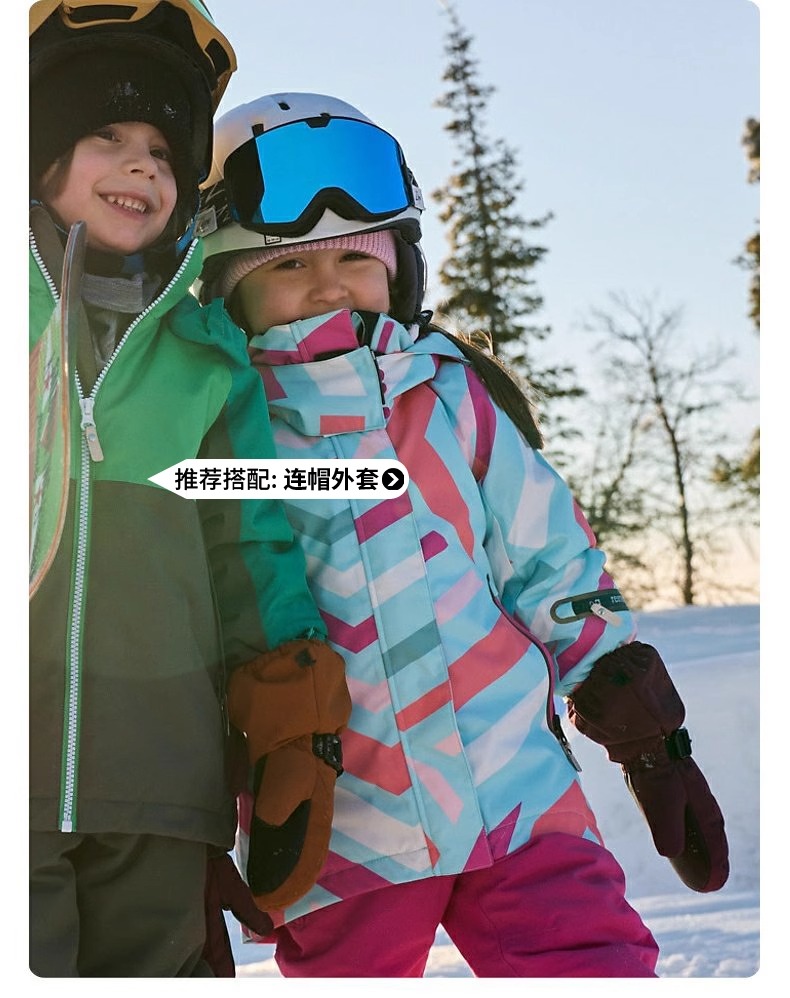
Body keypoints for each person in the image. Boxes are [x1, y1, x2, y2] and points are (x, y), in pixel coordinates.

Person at [196, 91, 729, 978]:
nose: (329, 285)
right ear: (226, 289)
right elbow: (204, 618)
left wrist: (641, 723)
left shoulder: (449, 396)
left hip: (513, 787)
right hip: (340, 819)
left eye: (357, 256)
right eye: (288, 264)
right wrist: (190, 815)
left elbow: (549, 560)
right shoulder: (222, 435)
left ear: (400, 269)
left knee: (595, 965)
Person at [28, 7, 350, 978]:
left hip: (162, 787)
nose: (144, 164)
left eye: (166, 150)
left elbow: (249, 540)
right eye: (106, 133)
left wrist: (293, 712)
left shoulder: (206, 362)